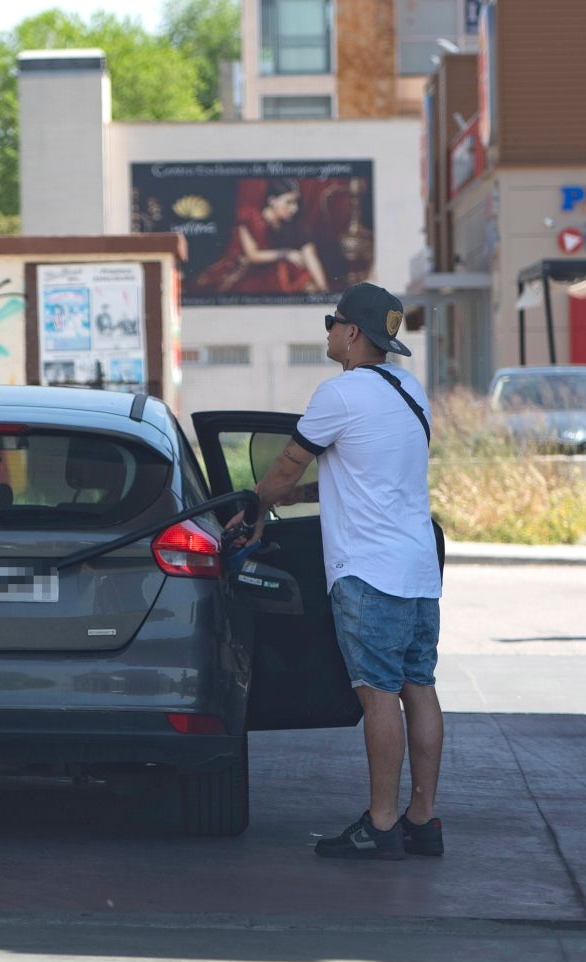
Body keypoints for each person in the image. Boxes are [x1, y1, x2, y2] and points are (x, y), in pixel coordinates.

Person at [227, 282, 444, 861]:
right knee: (418, 688)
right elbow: (365, 473)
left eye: (332, 321)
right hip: (418, 568)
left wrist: (255, 509)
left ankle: (379, 825)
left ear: (352, 333)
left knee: (378, 696)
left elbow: (280, 466)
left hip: (369, 573)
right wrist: (296, 498)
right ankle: (422, 820)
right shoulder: (410, 389)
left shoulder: (340, 393)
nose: (327, 331)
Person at [197, 179, 331, 296]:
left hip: (271, 272)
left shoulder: (291, 224)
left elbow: (309, 252)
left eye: (296, 203)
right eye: (289, 202)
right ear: (272, 201)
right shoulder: (249, 217)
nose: (294, 208)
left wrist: (323, 290)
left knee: (304, 281)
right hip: (243, 273)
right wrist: (287, 254)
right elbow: (252, 255)